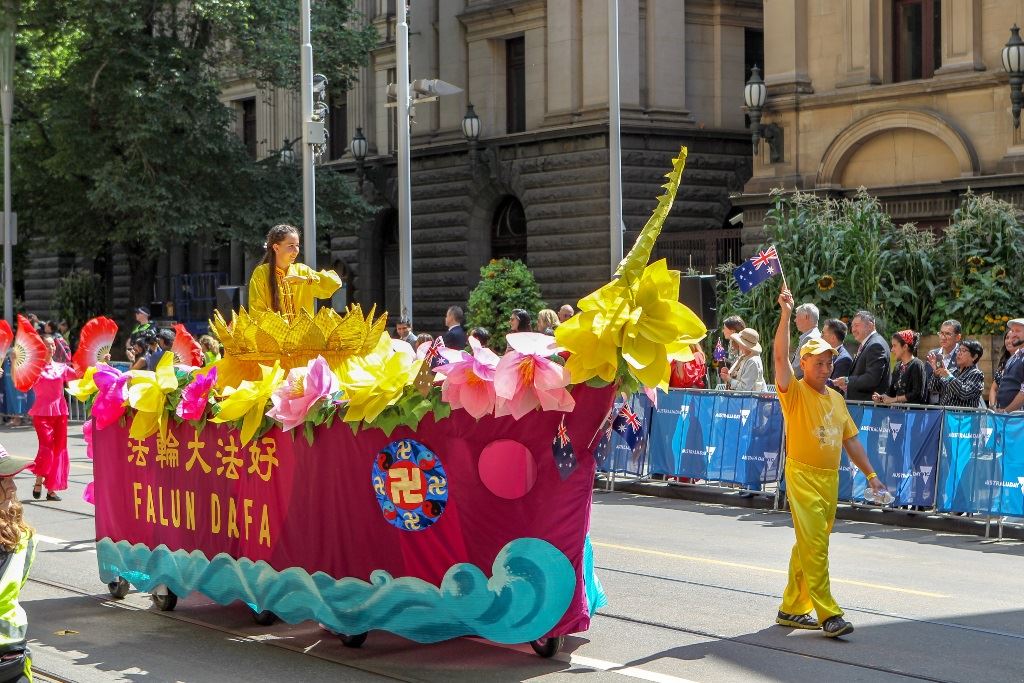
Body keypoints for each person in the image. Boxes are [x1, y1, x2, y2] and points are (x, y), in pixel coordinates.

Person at [773, 286, 887, 638]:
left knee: (808, 544)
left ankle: (792, 607)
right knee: (816, 546)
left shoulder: (837, 399)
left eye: (828, 363)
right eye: (817, 362)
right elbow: (779, 359)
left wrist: (871, 475)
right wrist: (785, 314)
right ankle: (828, 613)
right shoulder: (793, 393)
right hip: (802, 476)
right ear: (803, 363)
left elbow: (850, 440)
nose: (825, 368)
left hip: (828, 479)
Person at [248, 224, 342, 324]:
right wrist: (281, 326)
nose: (296, 251)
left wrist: (307, 280)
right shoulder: (261, 273)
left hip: (304, 337)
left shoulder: (303, 270)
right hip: (275, 337)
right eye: (291, 246)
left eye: (297, 245)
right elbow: (257, 313)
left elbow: (336, 282)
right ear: (276, 248)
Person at [28, 335, 79, 502]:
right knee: (47, 448)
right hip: (41, 414)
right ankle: (38, 480)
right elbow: (20, 380)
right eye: (47, 345)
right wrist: (14, 360)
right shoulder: (34, 368)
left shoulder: (61, 367)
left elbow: (81, 373)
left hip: (60, 413)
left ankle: (51, 489)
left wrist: (100, 360)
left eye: (52, 345)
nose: (51, 348)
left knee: (59, 450)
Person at [0, 466, 36, 683]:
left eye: (12, 478)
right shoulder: (24, 537)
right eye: (4, 480)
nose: (13, 486)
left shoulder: (24, 538)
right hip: (12, 650)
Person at [833, 311, 890, 402]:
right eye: (852, 326)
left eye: (857, 325)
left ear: (870, 326)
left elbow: (871, 379)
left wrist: (847, 381)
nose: (853, 330)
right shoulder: (869, 344)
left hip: (870, 408)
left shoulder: (875, 345)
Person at [873, 330, 927, 406]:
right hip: (898, 414)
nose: (892, 349)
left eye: (894, 346)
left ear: (905, 347)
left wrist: (894, 399)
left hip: (912, 414)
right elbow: (892, 391)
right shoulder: (898, 366)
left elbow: (917, 394)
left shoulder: (917, 365)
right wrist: (882, 397)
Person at [929, 339, 985, 408]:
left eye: (963, 351)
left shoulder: (976, 374)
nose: (958, 353)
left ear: (974, 357)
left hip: (962, 417)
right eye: (958, 350)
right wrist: (936, 374)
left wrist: (948, 376)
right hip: (944, 415)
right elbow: (933, 388)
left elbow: (964, 393)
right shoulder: (952, 371)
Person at [925, 320, 962, 404]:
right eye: (941, 333)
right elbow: (927, 383)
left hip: (954, 408)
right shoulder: (932, 354)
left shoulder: (963, 355)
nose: (943, 337)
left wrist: (947, 375)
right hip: (933, 409)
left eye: (948, 334)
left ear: (958, 337)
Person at [994, 318, 1024, 412]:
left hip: (1018, 420)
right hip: (1009, 419)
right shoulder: (1015, 356)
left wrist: (1006, 411)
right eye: (1012, 330)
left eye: (1018, 331)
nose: (1013, 334)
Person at [822, 319, 853, 396]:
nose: (820, 337)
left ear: (833, 338)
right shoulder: (826, 353)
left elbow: (834, 387)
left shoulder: (844, 360)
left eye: (823, 334)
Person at [791, 303, 822, 379]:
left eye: (797, 317)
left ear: (806, 317)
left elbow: (798, 369)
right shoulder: (815, 335)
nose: (795, 320)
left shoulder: (810, 338)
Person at [988, 330, 1015, 409]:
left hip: (1017, 413)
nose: (1009, 341)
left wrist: (1007, 410)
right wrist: (993, 407)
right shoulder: (1003, 363)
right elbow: (993, 388)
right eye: (1007, 338)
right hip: (1000, 412)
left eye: (1013, 338)